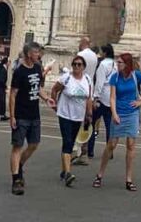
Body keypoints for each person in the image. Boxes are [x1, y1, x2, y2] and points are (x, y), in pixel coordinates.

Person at [93, 52, 141, 192]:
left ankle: (129, 179)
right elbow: (112, 97)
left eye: (120, 62)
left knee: (131, 144)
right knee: (111, 144)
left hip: (132, 113)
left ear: (127, 64)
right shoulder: (115, 77)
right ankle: (100, 174)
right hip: (119, 112)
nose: (117, 64)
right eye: (117, 62)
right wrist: (114, 114)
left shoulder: (135, 75)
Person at [9, 42, 55, 196]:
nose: (39, 55)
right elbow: (13, 94)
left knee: (34, 144)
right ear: (29, 54)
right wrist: (12, 116)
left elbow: (38, 88)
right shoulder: (19, 71)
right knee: (17, 146)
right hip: (21, 114)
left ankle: (20, 164)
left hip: (34, 114)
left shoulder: (36, 68)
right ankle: (16, 179)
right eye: (37, 53)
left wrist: (46, 98)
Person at [51, 55, 93, 187]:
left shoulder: (87, 79)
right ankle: (68, 173)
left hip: (79, 116)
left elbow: (89, 98)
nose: (76, 66)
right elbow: (54, 89)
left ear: (83, 67)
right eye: (74, 64)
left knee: (71, 141)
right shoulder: (66, 78)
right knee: (68, 142)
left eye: (79, 64)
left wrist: (89, 114)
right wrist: (55, 104)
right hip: (65, 114)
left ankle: (64, 169)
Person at [88, 43, 116, 159]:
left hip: (102, 97)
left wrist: (95, 98)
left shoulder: (103, 65)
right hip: (112, 97)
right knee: (110, 126)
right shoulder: (115, 64)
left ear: (104, 53)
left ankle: (90, 150)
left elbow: (99, 82)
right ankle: (110, 151)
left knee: (92, 123)